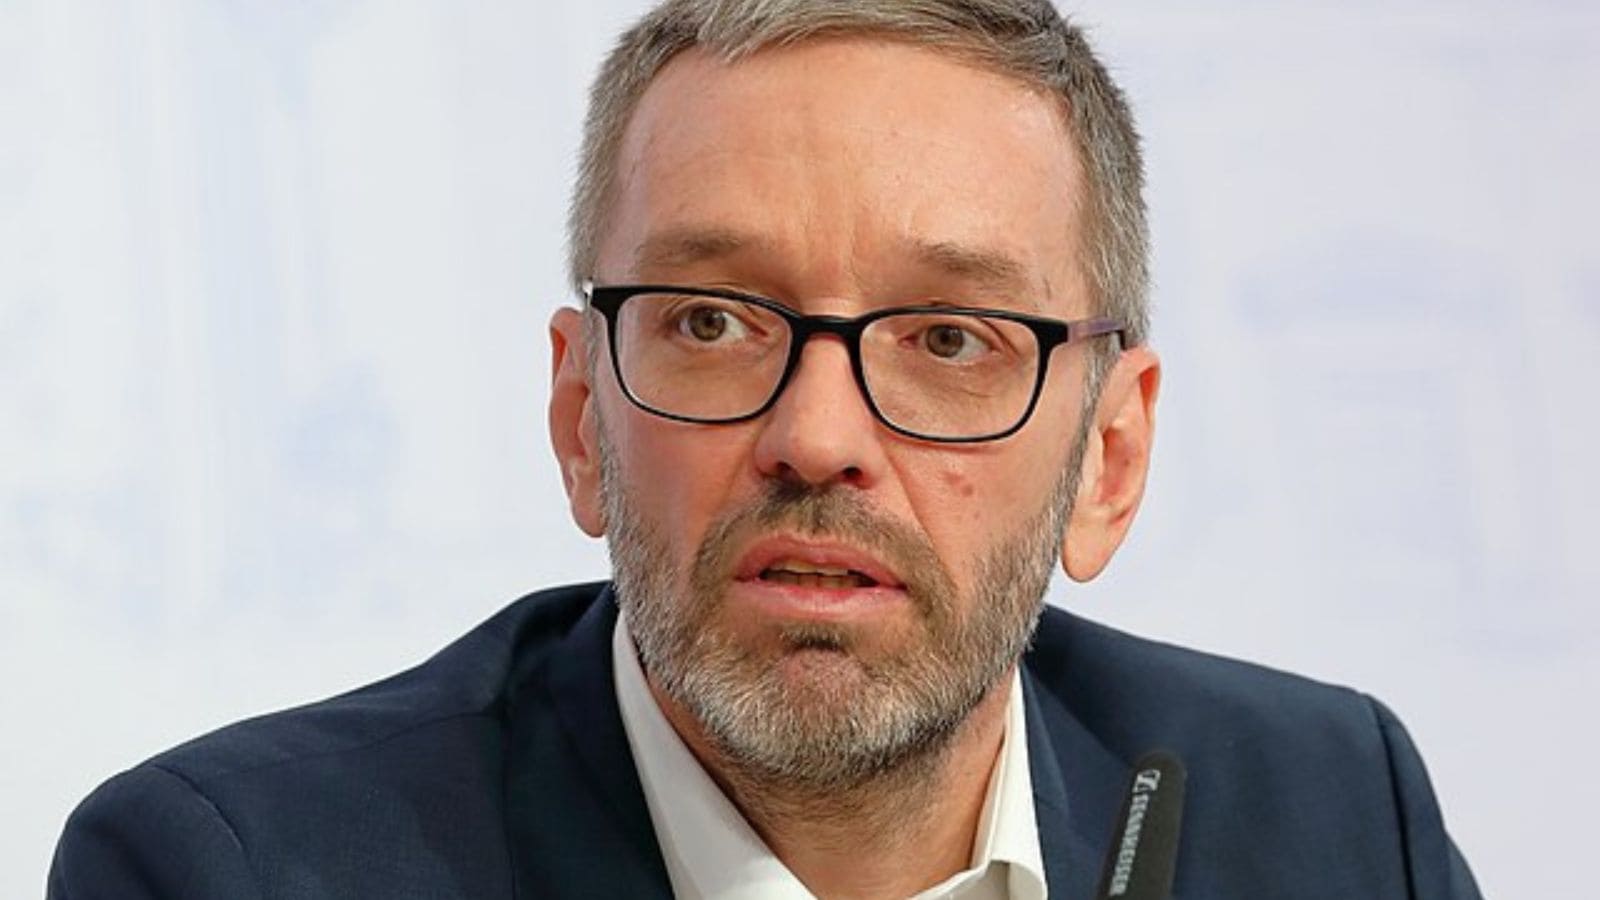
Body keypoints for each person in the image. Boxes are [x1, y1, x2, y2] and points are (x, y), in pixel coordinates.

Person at [48, 1, 1483, 898]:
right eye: (714, 322)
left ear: (1109, 458)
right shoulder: (229, 871)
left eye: (950, 338)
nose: (816, 436)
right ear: (581, 420)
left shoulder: (1335, 812)